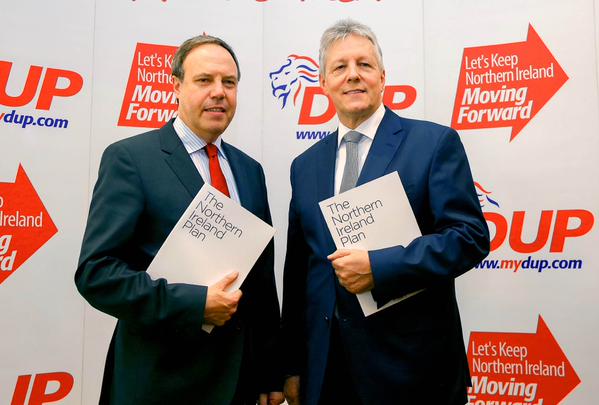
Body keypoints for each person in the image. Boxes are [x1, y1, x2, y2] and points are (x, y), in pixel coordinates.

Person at [281, 19, 490, 405]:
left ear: (382, 76)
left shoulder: (433, 143)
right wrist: (293, 365)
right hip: (326, 371)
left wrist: (380, 267)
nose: (353, 75)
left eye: (364, 64)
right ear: (324, 83)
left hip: (411, 368)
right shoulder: (305, 165)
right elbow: (299, 272)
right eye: (340, 67)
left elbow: (469, 237)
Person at [76, 34, 284, 405]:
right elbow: (97, 273)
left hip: (237, 384)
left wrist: (270, 371)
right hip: (158, 382)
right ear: (176, 86)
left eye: (229, 82)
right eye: (204, 80)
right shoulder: (132, 160)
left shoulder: (250, 171)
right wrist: (195, 303)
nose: (219, 92)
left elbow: (262, 282)